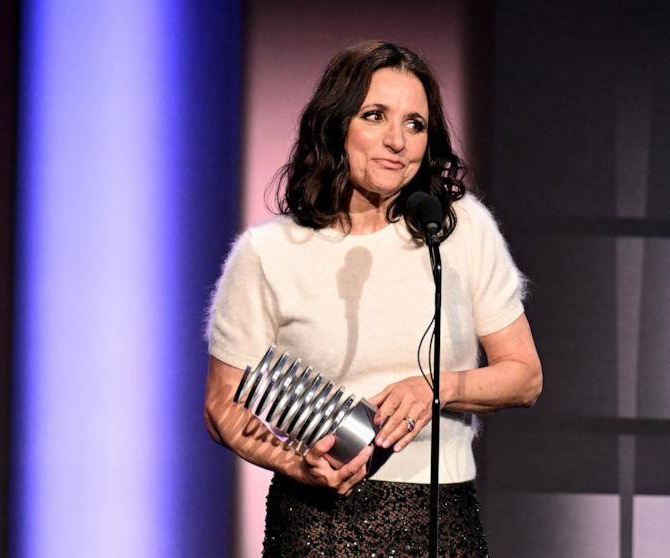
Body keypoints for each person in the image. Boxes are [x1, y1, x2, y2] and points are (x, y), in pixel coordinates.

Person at [204, 40, 542, 557]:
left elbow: (524, 375)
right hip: (318, 524)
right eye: (375, 116)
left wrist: (439, 387)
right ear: (336, 124)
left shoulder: (458, 227)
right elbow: (222, 405)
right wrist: (297, 464)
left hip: (441, 521)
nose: (397, 142)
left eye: (415, 124)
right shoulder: (268, 252)